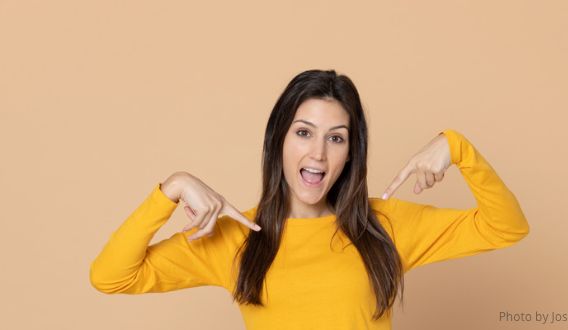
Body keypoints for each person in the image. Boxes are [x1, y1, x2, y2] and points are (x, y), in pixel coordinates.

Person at [89, 69, 530, 330]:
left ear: (350, 152)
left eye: (336, 139)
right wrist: (172, 188)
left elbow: (506, 227)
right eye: (304, 133)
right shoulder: (235, 238)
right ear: (278, 139)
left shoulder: (384, 227)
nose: (318, 153)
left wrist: (456, 148)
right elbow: (111, 277)